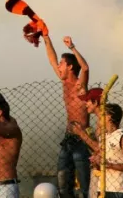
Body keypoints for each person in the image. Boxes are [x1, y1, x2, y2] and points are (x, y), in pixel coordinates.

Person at [37, 33, 90, 198]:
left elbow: (86, 68)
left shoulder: (80, 85)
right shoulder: (65, 82)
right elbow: (51, 59)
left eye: (62, 64)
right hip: (69, 137)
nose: (58, 66)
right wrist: (46, 38)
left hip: (82, 137)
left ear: (70, 67)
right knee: (62, 179)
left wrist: (72, 47)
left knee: (85, 184)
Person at [88, 103, 123, 198]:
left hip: (118, 189)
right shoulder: (103, 137)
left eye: (102, 113)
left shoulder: (122, 137)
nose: (99, 115)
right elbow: (102, 163)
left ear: (110, 117)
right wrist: (96, 162)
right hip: (102, 187)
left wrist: (109, 164)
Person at [67, 88, 103, 198]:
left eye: (87, 101)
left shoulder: (104, 122)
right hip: (98, 169)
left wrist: (81, 133)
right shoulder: (99, 120)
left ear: (95, 102)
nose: (85, 104)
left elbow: (99, 148)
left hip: (104, 175)